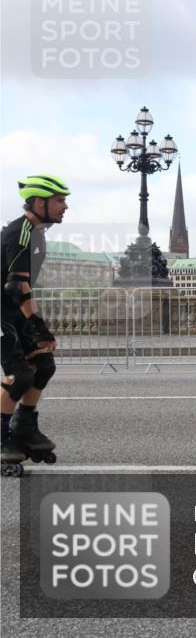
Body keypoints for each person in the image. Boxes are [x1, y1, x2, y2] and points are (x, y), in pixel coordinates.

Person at [1, 174, 70, 469]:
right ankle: (2, 436)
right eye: (59, 200)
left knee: (44, 365)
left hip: (13, 310)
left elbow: (26, 287)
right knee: (20, 375)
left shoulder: (37, 233)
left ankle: (24, 427)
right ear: (39, 202)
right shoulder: (21, 234)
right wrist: (39, 327)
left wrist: (35, 323)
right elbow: (16, 286)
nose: (65, 206)